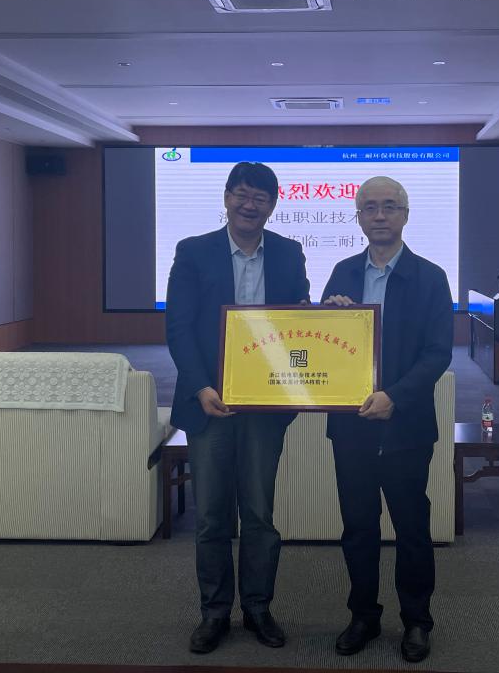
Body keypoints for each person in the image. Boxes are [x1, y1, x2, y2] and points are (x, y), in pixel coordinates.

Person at [166, 161, 309, 654]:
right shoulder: (194, 251)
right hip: (210, 404)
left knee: (259, 513)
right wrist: (200, 387)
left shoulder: (289, 253)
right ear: (227, 198)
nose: (250, 205)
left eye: (260, 198)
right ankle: (213, 613)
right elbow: (179, 328)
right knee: (211, 516)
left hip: (264, 405)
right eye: (242, 195)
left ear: (272, 204)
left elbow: (298, 321)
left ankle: (258, 608)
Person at [322, 176, 453, 664]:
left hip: (406, 426)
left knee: (412, 527)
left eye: (389, 207)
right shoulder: (341, 272)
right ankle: (363, 615)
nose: (380, 215)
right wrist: (329, 315)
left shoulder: (430, 277)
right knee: (358, 527)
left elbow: (437, 353)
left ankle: (417, 620)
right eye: (370, 207)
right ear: (358, 216)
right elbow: (323, 346)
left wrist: (395, 397)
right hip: (351, 426)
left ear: (405, 214)